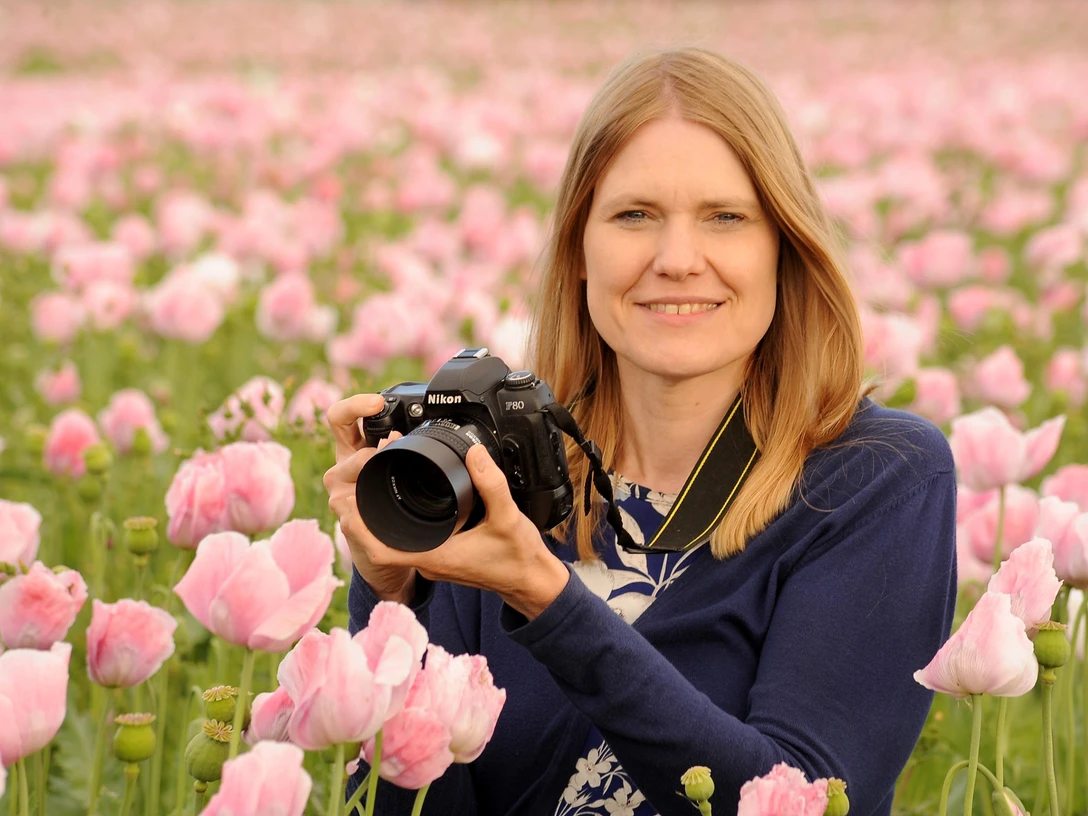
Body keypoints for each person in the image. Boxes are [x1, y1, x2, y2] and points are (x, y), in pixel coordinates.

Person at [324, 46, 957, 816]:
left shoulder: (872, 478)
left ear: (782, 247)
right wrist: (388, 601)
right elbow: (405, 807)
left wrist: (546, 598)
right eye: (635, 215)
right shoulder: (501, 472)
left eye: (726, 217)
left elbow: (810, 800)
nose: (678, 260)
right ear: (579, 250)